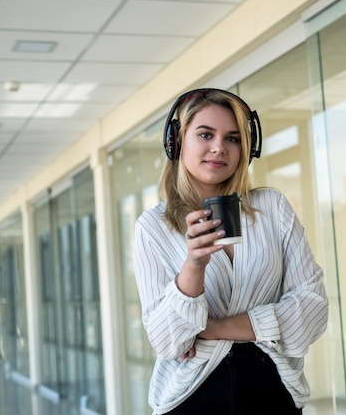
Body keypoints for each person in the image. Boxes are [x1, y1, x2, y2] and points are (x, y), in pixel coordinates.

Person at [133, 88, 329, 415]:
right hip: (189, 399)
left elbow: (313, 310)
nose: (219, 147)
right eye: (205, 134)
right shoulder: (153, 227)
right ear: (177, 142)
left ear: (246, 148)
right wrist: (194, 265)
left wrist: (215, 328)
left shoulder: (272, 207)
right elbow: (169, 342)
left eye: (233, 138)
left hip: (273, 394)